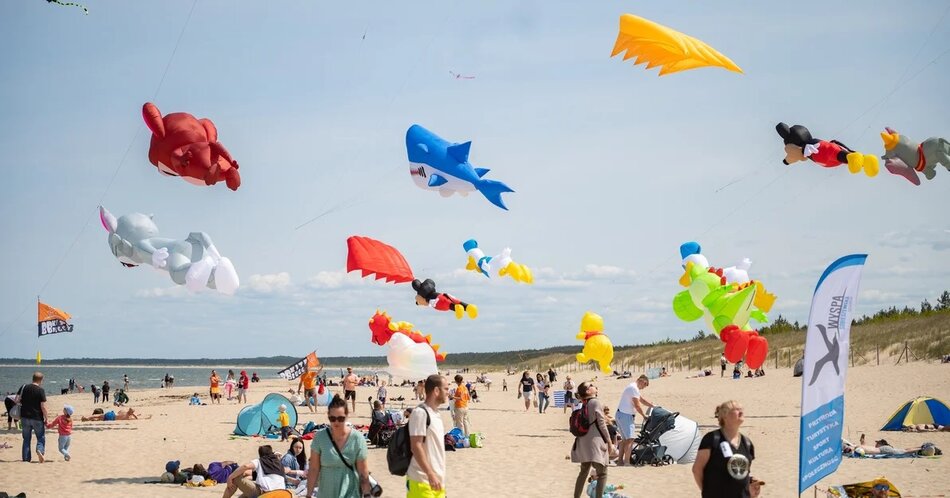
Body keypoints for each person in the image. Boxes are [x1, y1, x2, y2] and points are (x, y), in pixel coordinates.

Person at [305, 395, 372, 498]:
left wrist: (367, 494)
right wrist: (308, 494)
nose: (336, 422)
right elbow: (314, 469)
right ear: (328, 416)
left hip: (351, 494)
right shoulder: (320, 437)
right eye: (332, 418)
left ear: (347, 416)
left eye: (341, 418)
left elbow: (363, 471)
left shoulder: (357, 439)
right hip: (326, 494)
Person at [692, 400, 755, 498]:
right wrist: (707, 492)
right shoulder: (713, 439)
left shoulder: (746, 442)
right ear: (725, 416)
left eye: (741, 409)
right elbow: (697, 469)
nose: (741, 412)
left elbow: (745, 472)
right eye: (736, 409)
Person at [572, 381, 615, 498]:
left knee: (583, 472)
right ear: (588, 391)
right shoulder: (595, 402)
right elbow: (602, 424)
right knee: (602, 473)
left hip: (583, 442)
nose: (594, 386)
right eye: (591, 385)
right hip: (595, 442)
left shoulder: (584, 403)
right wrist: (609, 442)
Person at [408, 374, 449, 498]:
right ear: (436, 390)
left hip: (437, 482)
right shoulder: (420, 413)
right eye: (446, 389)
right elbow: (416, 446)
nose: (448, 392)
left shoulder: (436, 414)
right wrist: (430, 473)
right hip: (422, 481)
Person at [616, 374, 654, 466]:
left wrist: (652, 406)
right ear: (641, 381)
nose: (644, 387)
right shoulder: (634, 388)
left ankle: (620, 461)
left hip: (621, 414)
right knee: (630, 439)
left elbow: (642, 400)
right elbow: (637, 405)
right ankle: (627, 462)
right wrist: (644, 416)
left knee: (625, 440)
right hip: (626, 415)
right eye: (645, 385)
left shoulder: (632, 387)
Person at [16, 371, 48, 462]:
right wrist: (46, 417)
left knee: (26, 439)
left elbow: (16, 400)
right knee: (40, 437)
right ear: (41, 380)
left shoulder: (24, 387)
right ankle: (39, 450)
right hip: (37, 417)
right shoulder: (40, 390)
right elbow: (43, 406)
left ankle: (26, 459)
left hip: (24, 417)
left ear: (33, 378)